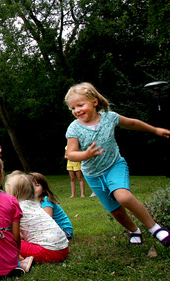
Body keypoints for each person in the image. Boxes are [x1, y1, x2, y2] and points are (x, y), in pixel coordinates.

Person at [65, 82, 170, 246]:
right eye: (72, 108)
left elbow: (132, 123)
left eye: (80, 105)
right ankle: (134, 230)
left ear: (94, 101)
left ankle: (156, 228)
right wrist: (86, 154)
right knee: (115, 210)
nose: (76, 110)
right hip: (92, 175)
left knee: (123, 196)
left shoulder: (110, 117)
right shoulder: (74, 129)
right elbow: (70, 153)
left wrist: (155, 130)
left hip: (114, 165)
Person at [5, 172, 69, 263]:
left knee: (6, 243)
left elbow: (15, 236)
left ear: (12, 194)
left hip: (50, 252)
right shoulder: (35, 205)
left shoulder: (16, 208)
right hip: (63, 249)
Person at [31, 172, 73, 240]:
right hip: (52, 230)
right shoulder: (33, 202)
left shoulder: (46, 200)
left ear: (44, 189)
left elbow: (47, 219)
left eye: (37, 185)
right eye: (31, 186)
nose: (34, 188)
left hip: (64, 231)